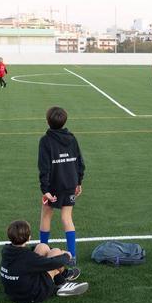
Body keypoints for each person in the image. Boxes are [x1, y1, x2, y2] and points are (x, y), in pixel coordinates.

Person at [0, 220, 87, 303]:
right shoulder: (28, 257)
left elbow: (31, 252)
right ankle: (62, 284)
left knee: (42, 247)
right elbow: (54, 263)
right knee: (55, 253)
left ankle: (64, 274)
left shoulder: (6, 249)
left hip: (12, 292)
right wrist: (66, 255)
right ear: (29, 238)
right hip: (30, 295)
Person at [38, 106, 84, 260]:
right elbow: (80, 162)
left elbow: (44, 167)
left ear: (47, 121)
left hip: (53, 186)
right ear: (65, 121)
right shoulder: (72, 138)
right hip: (70, 184)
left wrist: (45, 190)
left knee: (46, 214)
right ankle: (72, 256)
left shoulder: (45, 141)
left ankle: (42, 252)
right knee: (66, 218)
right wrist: (78, 182)